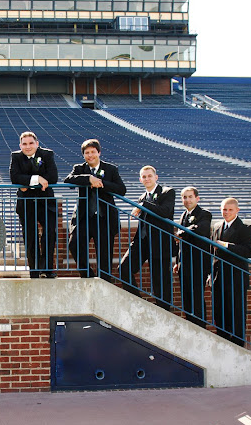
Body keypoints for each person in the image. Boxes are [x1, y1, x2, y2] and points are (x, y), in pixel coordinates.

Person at [64, 139, 126, 280]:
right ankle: (88, 276)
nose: (90, 155)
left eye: (93, 152)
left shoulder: (111, 169)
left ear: (99, 152)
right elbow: (68, 180)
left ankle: (104, 281)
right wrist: (89, 179)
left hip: (104, 218)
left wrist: (101, 183)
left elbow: (122, 189)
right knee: (74, 244)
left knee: (104, 254)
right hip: (84, 217)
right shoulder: (79, 168)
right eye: (87, 153)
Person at [118, 165, 175, 310]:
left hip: (160, 242)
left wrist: (143, 205)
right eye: (144, 177)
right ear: (140, 180)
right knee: (124, 268)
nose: (147, 179)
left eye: (150, 176)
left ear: (156, 177)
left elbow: (165, 212)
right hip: (142, 241)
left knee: (160, 280)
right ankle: (138, 302)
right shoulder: (142, 197)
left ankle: (164, 310)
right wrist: (142, 203)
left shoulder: (167, 192)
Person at [9, 131, 59, 278]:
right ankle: (35, 271)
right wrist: (36, 179)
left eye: (31, 143)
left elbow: (53, 177)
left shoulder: (47, 154)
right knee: (30, 237)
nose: (28, 146)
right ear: (20, 145)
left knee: (49, 234)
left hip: (46, 202)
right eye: (24, 144)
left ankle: (47, 269)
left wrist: (26, 182)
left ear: (37, 143)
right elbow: (14, 177)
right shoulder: (16, 157)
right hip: (26, 204)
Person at [209, 197, 251, 346]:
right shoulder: (217, 226)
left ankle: (237, 346)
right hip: (218, 277)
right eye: (224, 209)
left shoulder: (245, 228)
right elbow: (212, 252)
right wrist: (210, 273)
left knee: (236, 313)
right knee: (220, 312)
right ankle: (223, 343)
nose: (226, 212)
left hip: (236, 278)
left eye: (230, 210)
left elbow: (249, 251)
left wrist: (227, 245)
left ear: (237, 210)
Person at [173, 186, 212, 327]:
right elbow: (180, 244)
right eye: (184, 197)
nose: (187, 200)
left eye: (190, 197)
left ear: (197, 198)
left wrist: (182, 232)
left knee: (197, 296)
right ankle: (191, 325)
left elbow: (200, 229)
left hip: (198, 262)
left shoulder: (204, 214)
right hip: (185, 263)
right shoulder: (183, 215)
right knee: (187, 296)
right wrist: (178, 261)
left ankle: (200, 327)